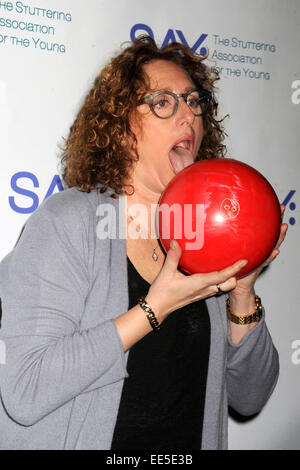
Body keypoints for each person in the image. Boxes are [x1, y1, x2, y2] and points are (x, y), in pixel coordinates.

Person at [0, 35, 287, 450]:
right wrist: (154, 309)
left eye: (193, 100)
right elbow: (25, 390)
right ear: (119, 130)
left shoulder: (205, 237)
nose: (188, 113)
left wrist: (243, 294)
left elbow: (251, 397)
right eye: (163, 102)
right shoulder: (69, 223)